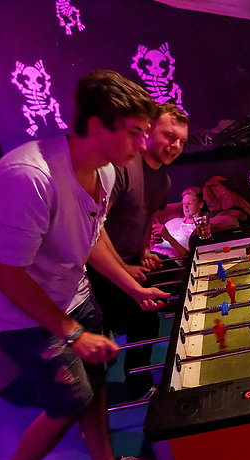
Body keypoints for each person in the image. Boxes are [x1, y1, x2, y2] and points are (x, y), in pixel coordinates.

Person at [0, 70, 170, 460]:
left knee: (96, 383)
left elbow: (91, 236)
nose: (143, 144)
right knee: (70, 400)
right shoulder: (30, 177)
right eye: (135, 132)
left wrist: (133, 287)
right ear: (98, 126)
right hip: (24, 315)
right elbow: (8, 276)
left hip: (74, 295)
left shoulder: (106, 170)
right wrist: (72, 333)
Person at [88, 102, 188, 400]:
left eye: (182, 141)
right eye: (170, 136)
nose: (176, 146)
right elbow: (95, 227)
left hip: (129, 261)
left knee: (146, 321)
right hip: (98, 266)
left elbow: (148, 216)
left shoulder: (163, 179)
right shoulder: (122, 169)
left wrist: (143, 250)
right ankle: (94, 402)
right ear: (148, 130)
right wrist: (124, 268)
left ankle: (137, 386)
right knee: (106, 334)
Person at [150, 186, 205, 259]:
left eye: (189, 203)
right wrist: (152, 242)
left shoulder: (201, 228)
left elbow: (188, 258)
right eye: (183, 203)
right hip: (151, 254)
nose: (185, 206)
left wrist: (169, 238)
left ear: (200, 205)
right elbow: (154, 245)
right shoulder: (173, 222)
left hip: (168, 260)